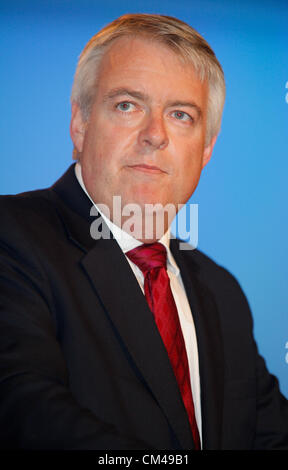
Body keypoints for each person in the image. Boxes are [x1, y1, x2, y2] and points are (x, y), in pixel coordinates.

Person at [0, 13, 287, 451]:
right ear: (79, 123)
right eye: (128, 105)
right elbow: (27, 416)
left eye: (181, 115)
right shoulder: (12, 238)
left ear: (207, 147)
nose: (155, 135)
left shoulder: (220, 292)